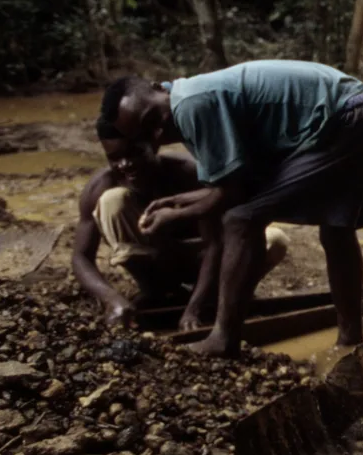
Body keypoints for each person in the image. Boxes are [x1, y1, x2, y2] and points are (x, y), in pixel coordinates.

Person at [99, 60, 363, 356]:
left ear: (158, 88)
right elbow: (233, 184)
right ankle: (351, 341)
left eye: (154, 118)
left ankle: (223, 338)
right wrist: (179, 202)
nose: (158, 132)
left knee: (241, 220)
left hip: (347, 119)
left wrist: (175, 214)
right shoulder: (187, 98)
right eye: (146, 132)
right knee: (335, 231)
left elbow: (232, 195)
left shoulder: (190, 105)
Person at [72, 131, 288, 328]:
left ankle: (220, 293)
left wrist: (195, 307)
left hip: (204, 259)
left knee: (275, 239)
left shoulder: (187, 173)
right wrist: (113, 299)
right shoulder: (101, 185)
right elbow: (81, 257)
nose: (126, 164)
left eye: (135, 153)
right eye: (115, 158)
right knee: (112, 200)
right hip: (155, 262)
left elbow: (216, 245)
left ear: (153, 146)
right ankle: (155, 290)